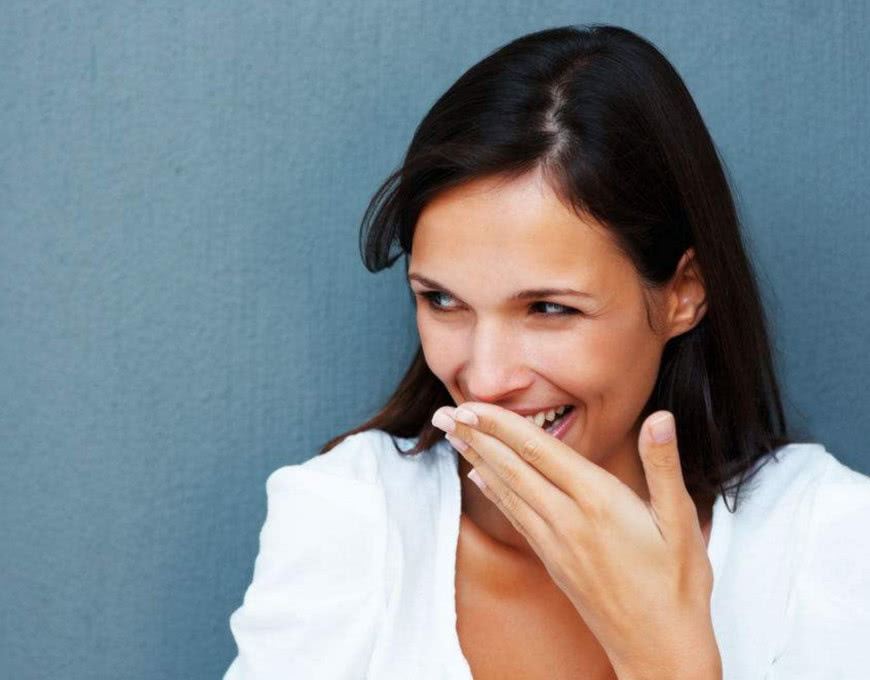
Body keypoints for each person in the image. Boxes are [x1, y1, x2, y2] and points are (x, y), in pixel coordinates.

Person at [222, 24, 870, 679]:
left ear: (683, 293)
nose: (486, 380)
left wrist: (666, 658)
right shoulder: (347, 521)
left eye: (550, 309)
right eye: (442, 300)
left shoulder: (826, 545)